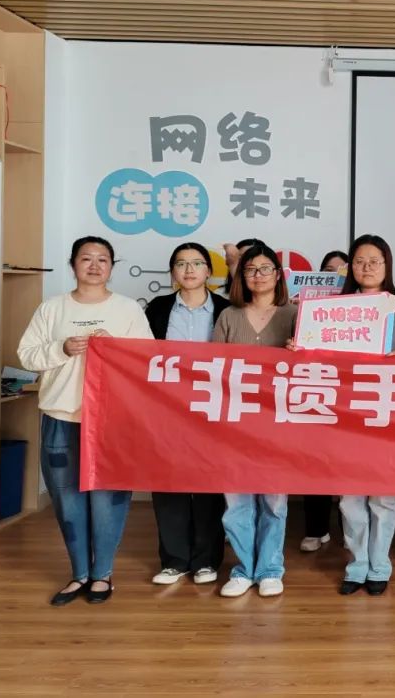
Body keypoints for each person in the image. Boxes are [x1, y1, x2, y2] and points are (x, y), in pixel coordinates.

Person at [17, 236, 154, 605]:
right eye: (86, 258)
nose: (94, 266)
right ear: (73, 264)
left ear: (112, 266)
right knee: (67, 498)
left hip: (112, 420)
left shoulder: (127, 309)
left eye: (103, 259)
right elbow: (27, 355)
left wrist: (116, 348)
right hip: (61, 415)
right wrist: (62, 348)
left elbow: (147, 361)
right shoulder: (52, 308)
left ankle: (102, 574)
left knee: (108, 498)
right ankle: (79, 573)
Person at [336, 235, 395, 596]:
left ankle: (379, 566)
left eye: (375, 261)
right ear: (351, 267)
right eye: (360, 261)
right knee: (349, 495)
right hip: (345, 411)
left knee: (384, 494)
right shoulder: (335, 307)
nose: (367, 267)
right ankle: (356, 565)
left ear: (387, 266)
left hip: (388, 408)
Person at [213, 242, 297, 598]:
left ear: (278, 275)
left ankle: (270, 569)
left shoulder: (295, 314)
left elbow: (314, 372)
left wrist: (301, 352)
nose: (258, 275)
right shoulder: (228, 316)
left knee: (274, 501)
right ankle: (243, 568)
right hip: (234, 424)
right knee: (237, 502)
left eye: (265, 269)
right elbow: (212, 369)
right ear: (240, 276)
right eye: (250, 269)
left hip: (279, 424)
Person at [144, 242, 230, 587]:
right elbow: (139, 354)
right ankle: (174, 560)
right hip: (167, 409)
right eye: (181, 263)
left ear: (209, 271)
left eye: (196, 263)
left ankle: (207, 559)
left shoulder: (226, 309)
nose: (189, 269)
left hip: (212, 409)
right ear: (173, 272)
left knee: (209, 484)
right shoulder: (158, 308)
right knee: (168, 482)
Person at [298, 248, 350, 554]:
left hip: (353, 396)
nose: (336, 276)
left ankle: (347, 531)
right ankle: (316, 529)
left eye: (343, 270)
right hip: (319, 391)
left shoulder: (363, 306)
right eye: (330, 270)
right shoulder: (308, 306)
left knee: (348, 469)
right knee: (315, 465)